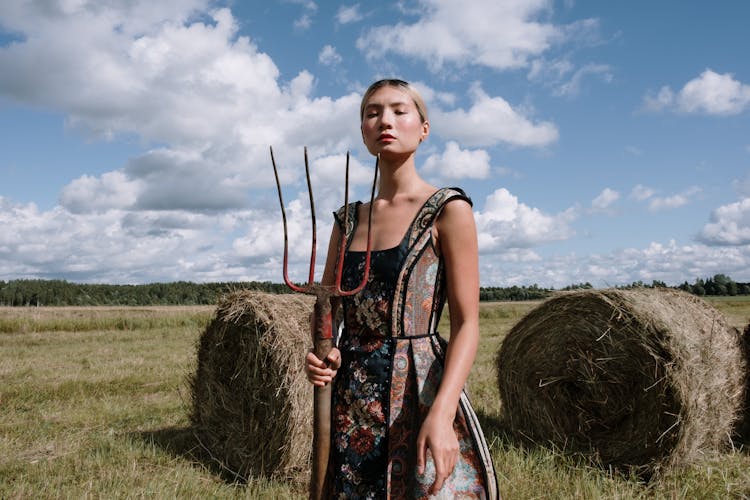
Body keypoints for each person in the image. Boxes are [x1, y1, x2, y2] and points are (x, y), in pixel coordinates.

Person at [306, 78, 499, 499]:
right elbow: (327, 310)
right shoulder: (347, 221)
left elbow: (467, 324)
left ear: (423, 128)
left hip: (421, 387)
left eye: (399, 110)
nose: (385, 121)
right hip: (352, 395)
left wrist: (443, 412)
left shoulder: (448, 210)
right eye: (372, 113)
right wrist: (324, 354)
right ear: (363, 132)